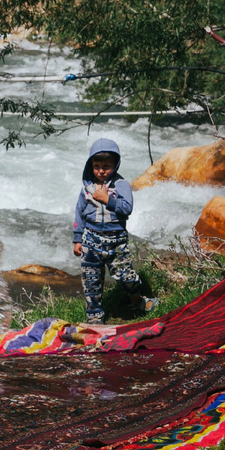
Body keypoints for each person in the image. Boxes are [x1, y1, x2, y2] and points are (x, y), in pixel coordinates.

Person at [72, 138, 157, 324]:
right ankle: (94, 316)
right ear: (90, 165)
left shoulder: (121, 185)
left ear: (115, 164)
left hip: (116, 241)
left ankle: (137, 298)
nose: (101, 171)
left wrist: (106, 199)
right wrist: (77, 239)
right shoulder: (87, 188)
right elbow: (79, 213)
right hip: (91, 241)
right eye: (96, 166)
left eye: (106, 166)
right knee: (91, 281)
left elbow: (126, 208)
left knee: (126, 276)